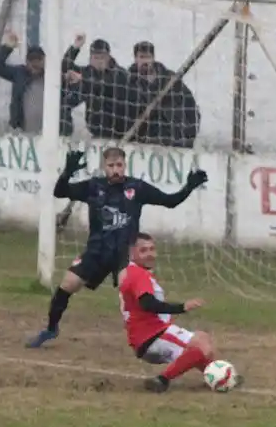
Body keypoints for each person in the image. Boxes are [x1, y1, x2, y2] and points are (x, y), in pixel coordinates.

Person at [26, 147, 207, 349]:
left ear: (124, 165)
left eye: (119, 165)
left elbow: (170, 201)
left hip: (124, 254)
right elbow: (59, 192)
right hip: (96, 251)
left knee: (137, 295)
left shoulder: (137, 188)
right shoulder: (94, 186)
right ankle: (51, 328)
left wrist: (189, 187)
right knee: (67, 285)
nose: (115, 170)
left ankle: (156, 334)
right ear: (105, 167)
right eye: (111, 166)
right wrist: (67, 172)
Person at [117, 233, 223, 393]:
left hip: (146, 337)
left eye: (152, 249)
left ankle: (219, 377)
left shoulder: (131, 272)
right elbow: (147, 303)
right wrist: (182, 307)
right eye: (143, 250)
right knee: (202, 347)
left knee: (201, 341)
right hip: (152, 335)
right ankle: (163, 379)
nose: (150, 254)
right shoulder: (139, 274)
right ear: (132, 253)